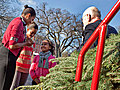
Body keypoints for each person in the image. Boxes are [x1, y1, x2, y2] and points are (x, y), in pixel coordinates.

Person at [0, 5, 36, 90]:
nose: (31, 22)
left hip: (12, 56)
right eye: (32, 20)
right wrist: (26, 44)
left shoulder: (22, 25)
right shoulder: (18, 23)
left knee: (7, 84)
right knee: (4, 85)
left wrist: (26, 41)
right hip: (7, 55)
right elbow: (12, 45)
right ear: (28, 15)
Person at [10, 22, 38, 90]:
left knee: (22, 87)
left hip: (27, 67)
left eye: (34, 33)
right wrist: (25, 43)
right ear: (28, 29)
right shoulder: (22, 38)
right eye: (32, 32)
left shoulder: (32, 43)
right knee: (14, 86)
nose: (33, 35)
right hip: (18, 65)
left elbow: (31, 55)